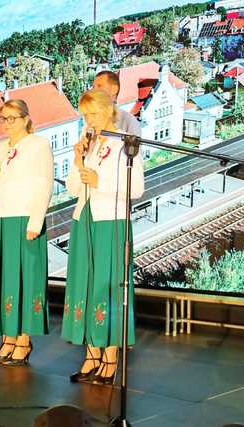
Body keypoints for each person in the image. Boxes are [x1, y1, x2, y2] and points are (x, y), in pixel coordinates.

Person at [61, 89, 145, 385]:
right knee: (85, 286)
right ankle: (91, 354)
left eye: (93, 113)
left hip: (111, 220)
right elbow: (74, 188)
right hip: (84, 217)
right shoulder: (91, 144)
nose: (89, 120)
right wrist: (77, 158)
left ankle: (110, 359)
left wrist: (101, 182)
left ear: (109, 111)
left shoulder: (126, 142)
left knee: (106, 287)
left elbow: (136, 189)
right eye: (85, 115)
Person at [0, 99, 53, 366]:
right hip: (0, 217)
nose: (8, 124)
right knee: (3, 278)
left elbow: (44, 183)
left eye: (13, 118)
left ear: (25, 118)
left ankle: (23, 340)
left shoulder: (38, 144)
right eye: (3, 118)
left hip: (24, 218)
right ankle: (7, 337)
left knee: (24, 278)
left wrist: (35, 222)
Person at [92, 70, 141, 137]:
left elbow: (133, 147)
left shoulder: (129, 122)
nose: (93, 91)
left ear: (114, 89)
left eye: (99, 86)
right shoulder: (91, 120)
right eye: (93, 87)